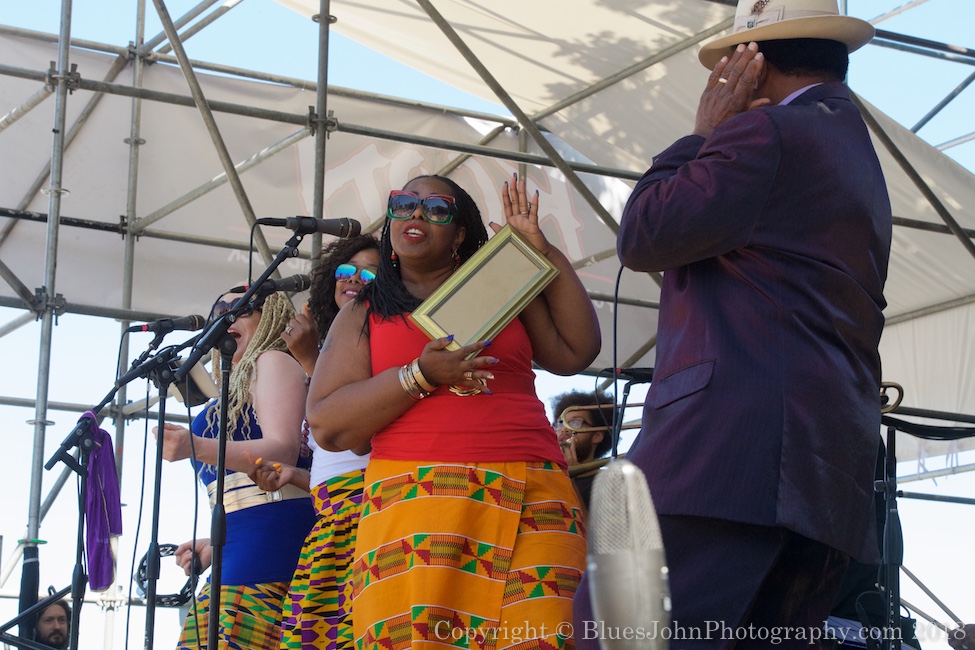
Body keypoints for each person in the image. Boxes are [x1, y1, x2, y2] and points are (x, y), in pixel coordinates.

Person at [575, 0, 892, 646]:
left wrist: (702, 133)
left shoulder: (764, 135)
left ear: (751, 64)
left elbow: (645, 234)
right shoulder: (853, 153)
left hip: (726, 458)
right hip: (825, 473)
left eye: (726, 63)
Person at [306, 173, 600, 649]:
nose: (416, 214)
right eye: (403, 204)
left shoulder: (501, 286)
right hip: (416, 502)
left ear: (460, 233)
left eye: (436, 208)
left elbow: (576, 349)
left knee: (546, 634)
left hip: (533, 490)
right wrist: (420, 375)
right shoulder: (364, 311)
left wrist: (541, 252)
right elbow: (327, 423)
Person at [156, 290, 316, 649]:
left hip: (269, 549)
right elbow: (243, 494)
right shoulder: (233, 389)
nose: (228, 315)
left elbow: (283, 450)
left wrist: (193, 446)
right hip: (242, 548)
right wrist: (214, 544)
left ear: (270, 317)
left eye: (242, 309)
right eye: (220, 310)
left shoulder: (273, 360)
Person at [250, 234, 380, 650]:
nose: (354, 279)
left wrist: (309, 360)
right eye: (346, 270)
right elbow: (339, 453)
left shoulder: (378, 343)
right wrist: (299, 476)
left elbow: (358, 440)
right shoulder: (335, 347)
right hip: (331, 510)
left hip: (362, 513)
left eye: (369, 273)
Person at [552, 390, 615, 511]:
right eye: (560, 423)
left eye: (576, 423)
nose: (564, 430)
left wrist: (571, 481)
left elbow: (591, 530)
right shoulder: (548, 476)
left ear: (597, 436)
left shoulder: (609, 484)